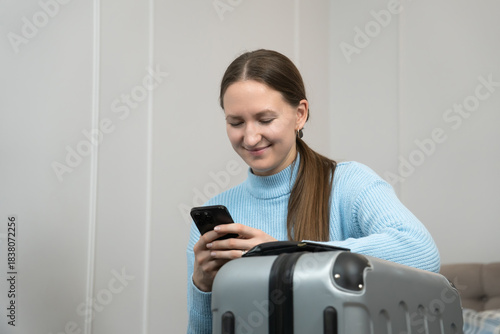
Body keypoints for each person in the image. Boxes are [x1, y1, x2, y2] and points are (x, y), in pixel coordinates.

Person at [186, 49, 440, 333]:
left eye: (265, 119)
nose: (250, 137)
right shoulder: (219, 214)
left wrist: (288, 255)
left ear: (300, 115)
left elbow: (422, 253)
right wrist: (202, 288)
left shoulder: (348, 183)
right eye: (236, 123)